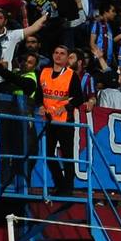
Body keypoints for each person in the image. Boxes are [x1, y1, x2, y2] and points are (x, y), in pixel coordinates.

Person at [37, 45, 85, 194]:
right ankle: (59, 183)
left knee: (67, 155)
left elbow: (79, 98)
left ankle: (68, 187)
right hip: (49, 121)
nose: (58, 56)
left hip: (65, 121)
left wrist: (66, 108)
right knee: (48, 154)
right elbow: (39, 94)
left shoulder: (71, 75)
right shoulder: (44, 73)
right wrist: (40, 106)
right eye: (56, 53)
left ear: (67, 58)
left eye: (62, 54)